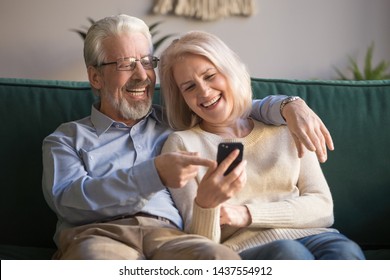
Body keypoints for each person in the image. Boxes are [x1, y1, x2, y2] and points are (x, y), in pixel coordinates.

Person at [42, 14, 334, 260]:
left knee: (223, 260)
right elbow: (69, 200)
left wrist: (289, 105)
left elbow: (231, 107)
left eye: (146, 62)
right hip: (100, 235)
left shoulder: (175, 122)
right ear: (95, 77)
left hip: (171, 237)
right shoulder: (66, 139)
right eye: (126, 64)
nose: (142, 75)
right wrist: (152, 173)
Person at [159, 30, 365, 260]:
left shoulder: (285, 125)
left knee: (347, 251)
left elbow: (323, 207)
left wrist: (246, 214)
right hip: (245, 249)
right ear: (181, 97)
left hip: (316, 236)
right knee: (289, 253)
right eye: (189, 87)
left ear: (229, 72)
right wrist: (206, 205)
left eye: (209, 76)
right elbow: (199, 243)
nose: (204, 92)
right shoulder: (182, 145)